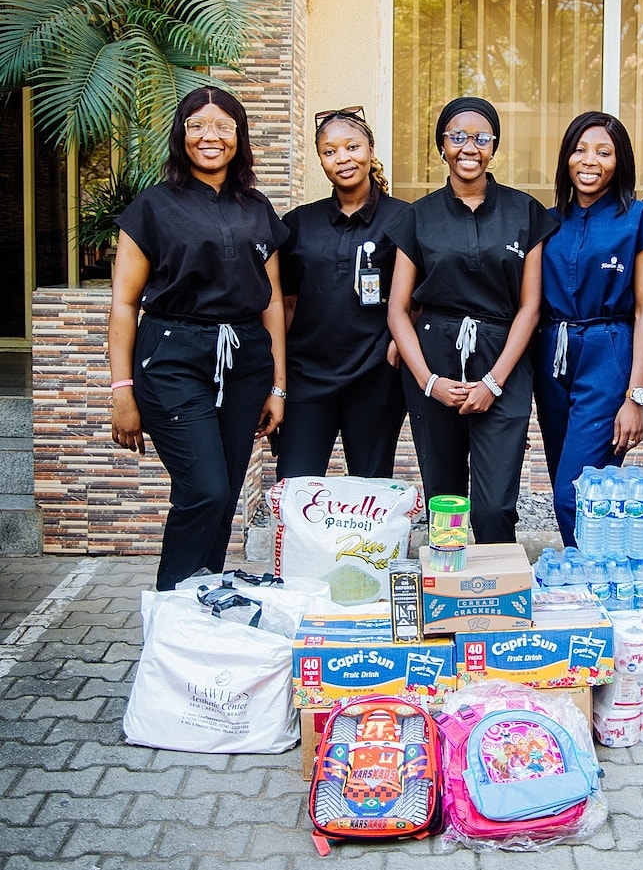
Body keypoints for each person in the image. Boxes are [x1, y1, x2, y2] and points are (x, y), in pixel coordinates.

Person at [108, 86, 288, 591]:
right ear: (181, 134)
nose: (210, 136)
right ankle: (171, 610)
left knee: (226, 492)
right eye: (196, 125)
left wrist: (277, 385)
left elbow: (271, 300)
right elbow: (124, 302)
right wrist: (122, 390)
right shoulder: (153, 207)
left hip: (245, 358)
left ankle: (200, 606)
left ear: (239, 136)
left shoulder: (257, 207)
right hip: (173, 356)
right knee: (204, 489)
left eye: (223, 126)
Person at [386, 97, 556, 542]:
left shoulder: (526, 212)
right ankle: (450, 597)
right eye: (457, 137)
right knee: (444, 498)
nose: (469, 147)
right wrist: (428, 381)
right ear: (442, 146)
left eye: (481, 138)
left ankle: (494, 600)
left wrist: (495, 382)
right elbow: (398, 309)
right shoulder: (417, 216)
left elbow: (530, 306)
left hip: (503, 358)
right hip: (433, 358)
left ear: (494, 146)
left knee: (495, 504)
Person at [533, 111, 643, 546]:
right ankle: (588, 582)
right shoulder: (548, 219)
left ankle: (596, 582)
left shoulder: (639, 219)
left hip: (607, 353)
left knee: (573, 494)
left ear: (620, 162)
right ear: (565, 159)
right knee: (572, 484)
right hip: (552, 355)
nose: (589, 160)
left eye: (603, 152)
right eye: (579, 149)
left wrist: (636, 397)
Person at [274, 107, 407, 479]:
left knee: (370, 490)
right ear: (320, 160)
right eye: (330, 151)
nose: (342, 158)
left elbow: (419, 298)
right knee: (295, 486)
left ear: (370, 149)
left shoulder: (404, 219)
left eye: (352, 146)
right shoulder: (299, 223)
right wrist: (278, 375)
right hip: (307, 378)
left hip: (375, 376)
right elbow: (285, 303)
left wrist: (399, 343)